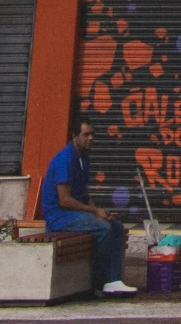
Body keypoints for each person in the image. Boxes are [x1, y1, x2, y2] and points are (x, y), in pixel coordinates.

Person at [41, 118, 136, 296]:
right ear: (74, 136)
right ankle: (100, 283)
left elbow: (83, 193)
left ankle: (114, 280)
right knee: (102, 228)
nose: (90, 138)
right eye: (86, 134)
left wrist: (98, 211)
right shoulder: (65, 160)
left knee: (115, 226)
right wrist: (94, 212)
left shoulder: (83, 158)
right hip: (59, 216)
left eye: (92, 134)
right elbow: (64, 200)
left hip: (73, 213)